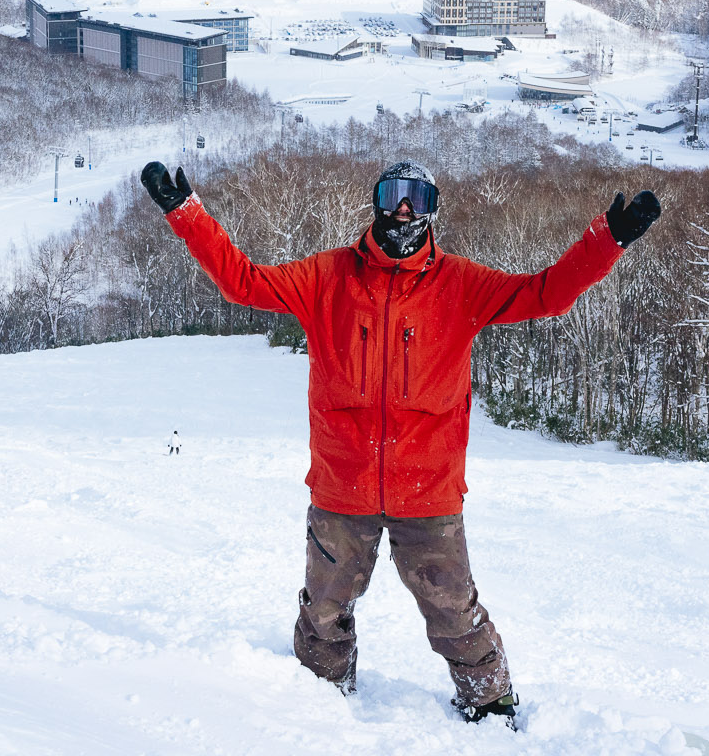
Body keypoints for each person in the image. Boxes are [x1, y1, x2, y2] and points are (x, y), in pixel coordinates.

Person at [140, 157, 660, 726]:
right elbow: (242, 282)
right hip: (343, 489)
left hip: (429, 493)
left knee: (455, 615)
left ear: (432, 209)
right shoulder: (328, 278)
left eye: (417, 196)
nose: (404, 208)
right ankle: (315, 704)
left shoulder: (461, 285)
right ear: (377, 201)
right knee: (323, 615)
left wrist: (608, 239)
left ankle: (491, 702)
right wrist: (184, 211)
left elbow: (547, 294)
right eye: (393, 194)